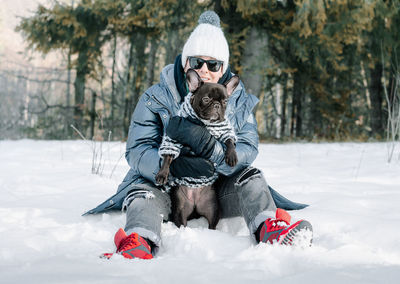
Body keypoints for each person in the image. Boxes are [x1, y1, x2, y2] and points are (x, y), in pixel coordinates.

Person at [84, 11, 312, 260]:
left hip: (215, 188)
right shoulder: (156, 96)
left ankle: (271, 230)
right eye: (197, 62)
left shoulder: (236, 99)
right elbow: (137, 149)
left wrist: (214, 152)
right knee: (142, 193)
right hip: (164, 185)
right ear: (185, 64)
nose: (204, 69)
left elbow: (248, 146)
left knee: (252, 177)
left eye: (213, 64)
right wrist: (172, 167)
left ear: (223, 68)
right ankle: (137, 242)